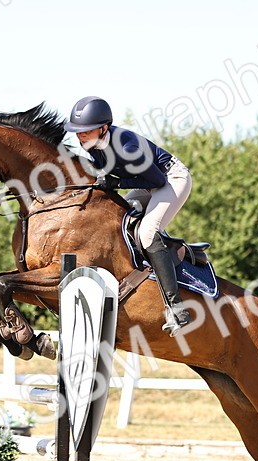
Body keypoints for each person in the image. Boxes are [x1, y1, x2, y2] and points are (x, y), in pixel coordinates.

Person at [63, 95, 192, 335]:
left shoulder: (126, 147)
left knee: (147, 232)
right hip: (148, 181)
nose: (80, 136)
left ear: (104, 128)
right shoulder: (94, 145)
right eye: (78, 132)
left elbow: (156, 181)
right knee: (118, 217)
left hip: (171, 179)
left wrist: (117, 182)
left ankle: (177, 310)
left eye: (86, 131)